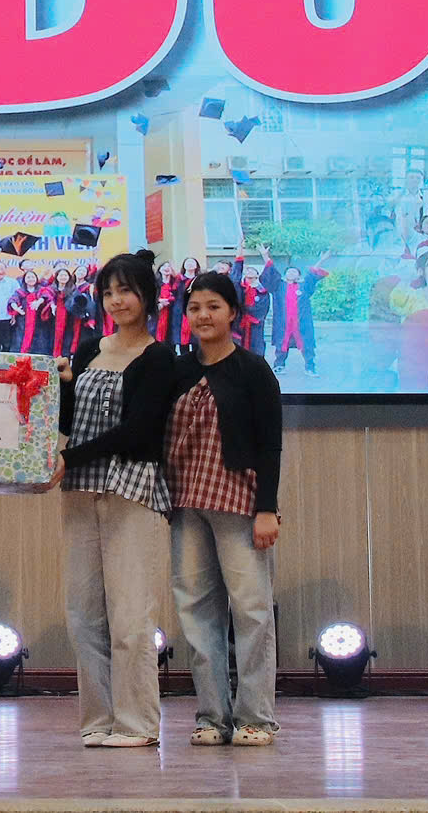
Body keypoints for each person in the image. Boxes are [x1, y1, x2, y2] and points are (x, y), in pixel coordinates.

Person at [55, 249, 177, 749]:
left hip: (132, 492)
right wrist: (60, 386)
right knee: (84, 616)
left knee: (130, 618)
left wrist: (69, 458)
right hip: (80, 492)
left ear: (147, 296)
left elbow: (138, 431)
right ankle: (98, 720)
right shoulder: (88, 348)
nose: (116, 300)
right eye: (108, 292)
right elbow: (68, 421)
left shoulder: (160, 357)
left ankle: (137, 724)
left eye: (125, 290)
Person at [166, 272, 281, 747]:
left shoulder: (253, 369)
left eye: (213, 306)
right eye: (194, 307)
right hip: (185, 504)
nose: (203, 315)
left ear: (233, 312)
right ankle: (212, 717)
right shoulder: (177, 369)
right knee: (196, 613)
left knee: (251, 611)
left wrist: (267, 509)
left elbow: (270, 444)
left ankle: (257, 718)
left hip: (239, 503)